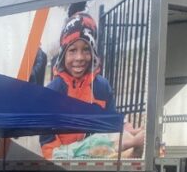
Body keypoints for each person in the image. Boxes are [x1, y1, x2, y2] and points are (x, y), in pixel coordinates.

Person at [39, 11, 145, 160]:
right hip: (61, 162)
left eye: (86, 49)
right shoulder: (52, 92)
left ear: (93, 52)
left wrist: (126, 129)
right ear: (63, 54)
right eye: (72, 50)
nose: (79, 57)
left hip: (95, 162)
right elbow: (48, 145)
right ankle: (133, 143)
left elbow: (110, 124)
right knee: (100, 142)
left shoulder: (102, 87)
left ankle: (134, 143)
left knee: (110, 137)